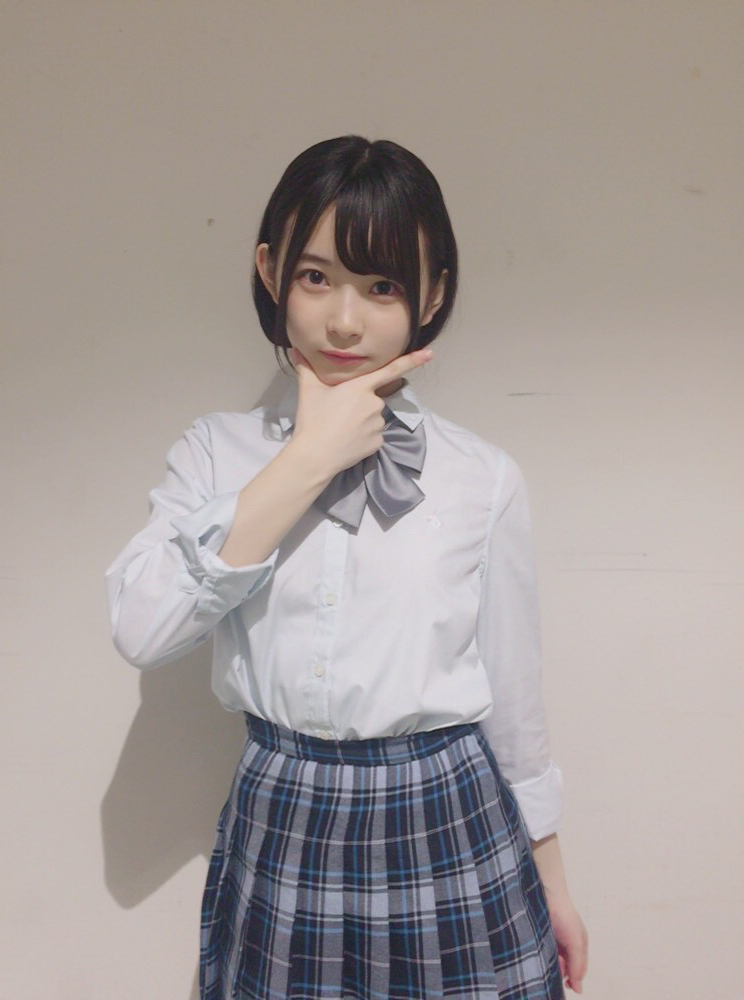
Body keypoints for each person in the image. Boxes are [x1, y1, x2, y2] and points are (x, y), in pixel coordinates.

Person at [105, 134, 588, 1000]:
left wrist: (553, 881)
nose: (344, 321)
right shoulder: (216, 455)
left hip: (451, 814)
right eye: (316, 276)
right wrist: (303, 462)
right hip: (283, 812)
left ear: (432, 294)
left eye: (383, 286)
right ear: (270, 270)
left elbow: (516, 704)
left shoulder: (482, 477)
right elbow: (141, 629)